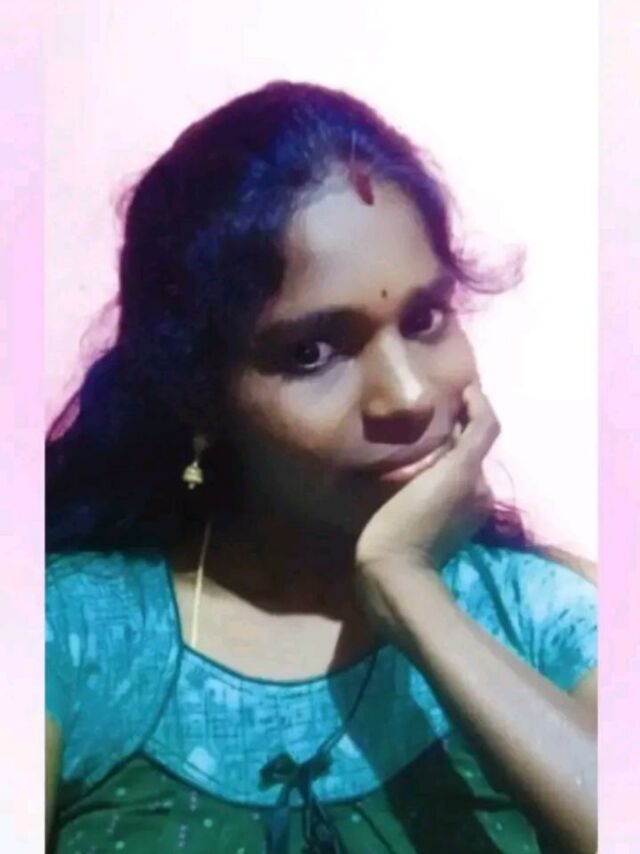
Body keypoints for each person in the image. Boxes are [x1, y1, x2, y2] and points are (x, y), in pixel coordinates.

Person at [45, 80, 597, 854]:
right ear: (199, 394)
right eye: (311, 352)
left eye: (425, 318)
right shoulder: (71, 639)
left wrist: (409, 588)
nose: (408, 395)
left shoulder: (539, 619)